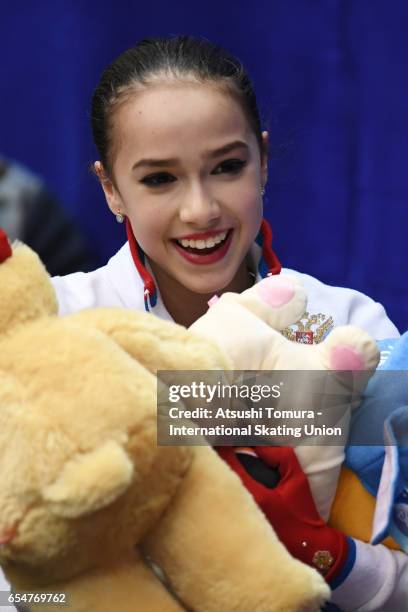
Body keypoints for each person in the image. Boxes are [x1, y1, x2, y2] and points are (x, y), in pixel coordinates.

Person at [49, 36, 406, 610]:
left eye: (227, 167)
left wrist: (328, 557)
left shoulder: (351, 325)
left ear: (262, 160)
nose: (201, 210)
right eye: (159, 179)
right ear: (110, 188)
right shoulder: (56, 325)